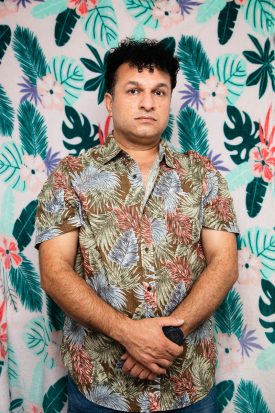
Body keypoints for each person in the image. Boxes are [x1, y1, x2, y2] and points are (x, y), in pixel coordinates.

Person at [35, 38, 239, 413]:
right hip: (101, 386)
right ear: (110, 102)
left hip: (187, 384)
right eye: (134, 90)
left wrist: (167, 338)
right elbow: (54, 272)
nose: (148, 102)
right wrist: (129, 335)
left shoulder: (203, 175)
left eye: (159, 92)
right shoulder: (70, 176)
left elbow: (224, 264)